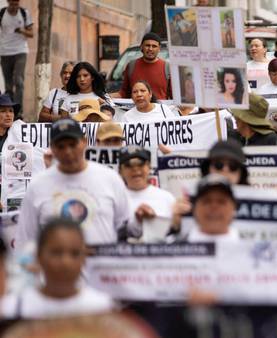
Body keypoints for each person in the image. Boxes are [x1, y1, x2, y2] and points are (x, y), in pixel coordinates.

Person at [15, 119, 130, 249]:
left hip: (103, 268)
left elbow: (125, 229)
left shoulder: (111, 179)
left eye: (72, 144)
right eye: (61, 146)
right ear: (52, 148)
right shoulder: (36, 186)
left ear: (84, 142)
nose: (68, 151)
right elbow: (25, 242)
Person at [2, 218, 114, 319]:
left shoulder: (103, 309)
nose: (65, 262)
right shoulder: (12, 310)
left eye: (74, 253)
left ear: (84, 257)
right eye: (56, 252)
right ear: (38, 256)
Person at [118, 146, 176, 242]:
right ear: (120, 171)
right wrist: (137, 221)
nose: (136, 169)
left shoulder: (167, 198)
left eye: (141, 164)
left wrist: (153, 221)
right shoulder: (115, 199)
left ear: (149, 167)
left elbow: (175, 233)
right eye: (128, 165)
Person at [0, 0, 33, 115]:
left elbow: (32, 33)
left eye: (16, 4)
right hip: (5, 52)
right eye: (12, 4)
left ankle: (19, 111)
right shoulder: (2, 13)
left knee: (19, 81)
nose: (15, 6)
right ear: (8, 2)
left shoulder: (24, 13)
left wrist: (21, 30)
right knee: (8, 85)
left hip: (20, 51)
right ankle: (8, 110)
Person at [114, 32, 171, 100]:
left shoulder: (167, 68)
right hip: (136, 109)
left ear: (159, 49)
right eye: (147, 45)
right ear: (141, 47)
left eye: (154, 46)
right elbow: (123, 93)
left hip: (160, 110)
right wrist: (105, 97)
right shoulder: (131, 66)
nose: (150, 49)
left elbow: (175, 96)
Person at [185, 174, 239, 242]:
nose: (214, 207)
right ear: (194, 207)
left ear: (233, 207)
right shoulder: (173, 247)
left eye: (221, 202)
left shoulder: (249, 247)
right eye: (207, 201)